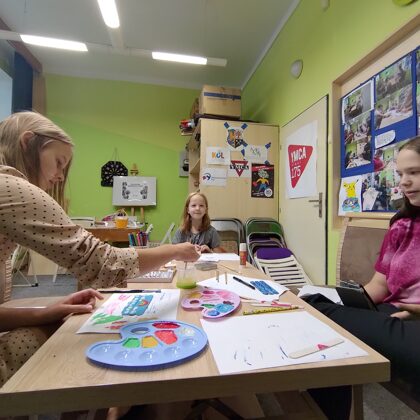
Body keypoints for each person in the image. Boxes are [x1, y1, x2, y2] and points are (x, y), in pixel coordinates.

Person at [0, 111, 200, 386]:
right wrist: (174, 250)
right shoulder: (11, 186)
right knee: (75, 340)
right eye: (58, 163)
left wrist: (46, 311)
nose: (59, 176)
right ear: (27, 142)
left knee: (70, 324)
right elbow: (103, 264)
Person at [305, 135, 420, 401]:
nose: (404, 182)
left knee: (326, 317)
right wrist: (350, 302)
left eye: (414, 172)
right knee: (314, 303)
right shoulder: (401, 225)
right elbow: (380, 285)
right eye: (401, 174)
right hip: (392, 313)